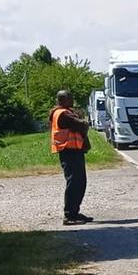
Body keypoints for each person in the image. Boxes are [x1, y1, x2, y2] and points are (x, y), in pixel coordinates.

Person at [50, 90, 93, 225]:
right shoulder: (62, 113)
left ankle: (74, 212)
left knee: (80, 182)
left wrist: (82, 123)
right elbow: (82, 125)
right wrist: (83, 123)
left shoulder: (66, 111)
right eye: (70, 98)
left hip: (74, 150)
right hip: (68, 150)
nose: (72, 100)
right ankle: (69, 215)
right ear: (62, 99)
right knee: (74, 182)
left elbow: (81, 124)